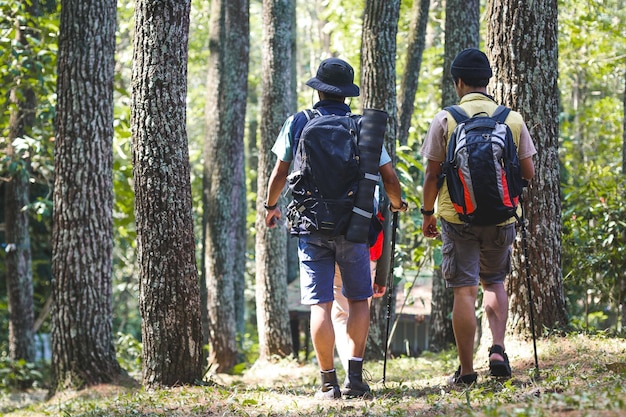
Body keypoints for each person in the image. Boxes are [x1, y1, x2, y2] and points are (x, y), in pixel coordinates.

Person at [264, 57, 407, 400]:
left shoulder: (298, 121)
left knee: (321, 304)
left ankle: (328, 384)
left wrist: (271, 207)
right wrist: (398, 203)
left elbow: (280, 173)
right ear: (347, 94)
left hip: (311, 224)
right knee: (359, 299)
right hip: (354, 223)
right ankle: (355, 379)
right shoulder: (363, 128)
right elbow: (389, 178)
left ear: (319, 89)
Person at [420, 48, 536, 384]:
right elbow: (528, 172)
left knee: (464, 291)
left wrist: (428, 213)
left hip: (457, 219)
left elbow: (432, 175)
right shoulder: (511, 119)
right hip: (501, 218)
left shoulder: (446, 118)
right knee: (495, 282)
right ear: (487, 80)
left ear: (458, 81)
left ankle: (467, 371)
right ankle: (498, 350)